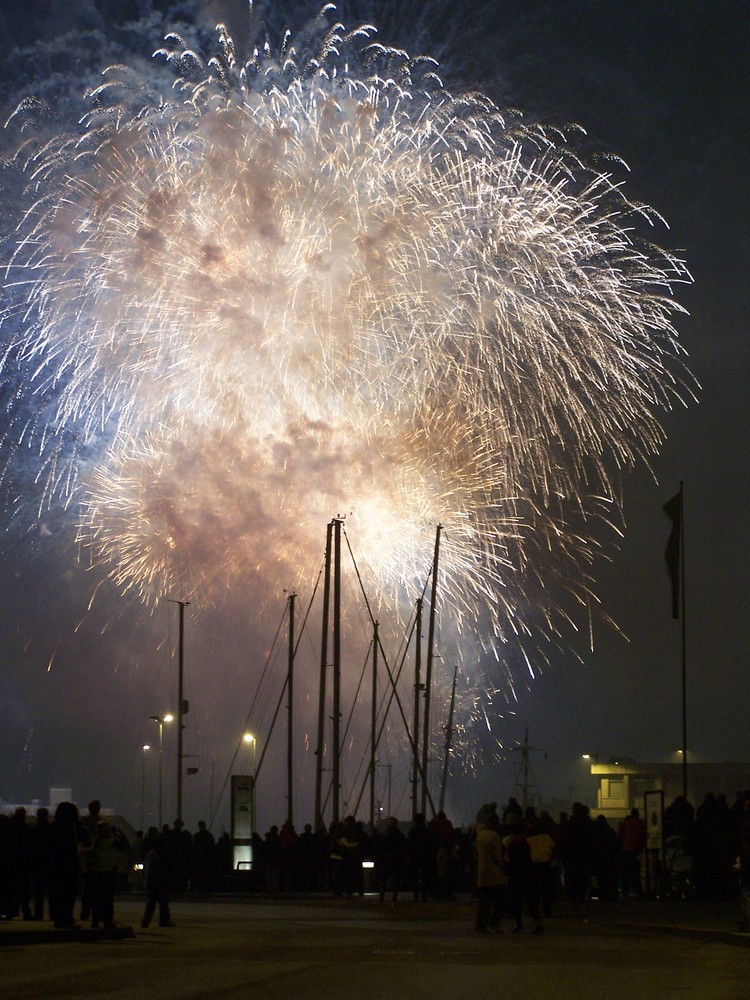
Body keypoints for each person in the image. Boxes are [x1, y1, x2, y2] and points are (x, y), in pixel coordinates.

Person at [48, 801, 82, 929]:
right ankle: (67, 918)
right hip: (68, 865)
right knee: (68, 892)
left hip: (56, 866)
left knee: (58, 893)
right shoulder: (71, 828)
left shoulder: (54, 827)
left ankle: (59, 918)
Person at [474, 811, 506, 933]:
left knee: (484, 902)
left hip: (482, 870)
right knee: (500, 901)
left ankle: (480, 924)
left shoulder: (480, 835)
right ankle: (494, 922)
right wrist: (502, 866)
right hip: (494, 871)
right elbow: (498, 855)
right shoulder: (495, 836)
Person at [88, 820, 122, 929]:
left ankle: (95, 921)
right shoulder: (115, 843)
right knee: (108, 899)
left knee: (96, 899)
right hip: (109, 872)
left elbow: (89, 856)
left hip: (96, 872)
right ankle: (108, 921)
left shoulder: (94, 843)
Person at [141, 836, 175, 929]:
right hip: (160, 881)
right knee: (163, 903)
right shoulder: (162, 855)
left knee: (151, 903)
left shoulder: (150, 855)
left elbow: (146, 869)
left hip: (152, 882)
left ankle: (146, 921)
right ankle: (163, 920)